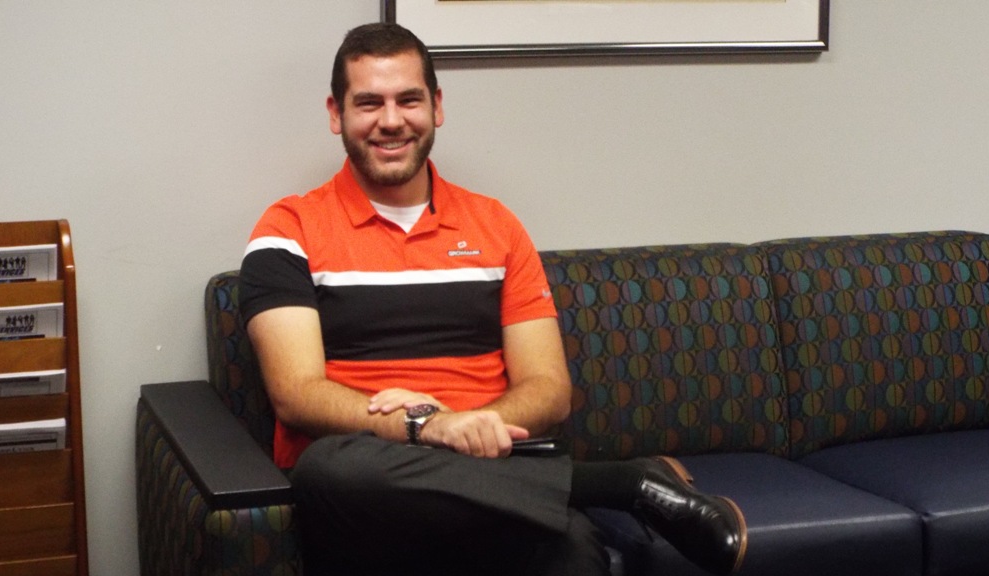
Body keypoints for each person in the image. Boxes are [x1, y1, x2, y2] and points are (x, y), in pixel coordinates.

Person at [239, 22, 747, 576]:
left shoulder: (496, 226)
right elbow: (297, 394)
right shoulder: (288, 230)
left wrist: (465, 427)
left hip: (495, 479)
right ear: (336, 113)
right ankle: (623, 483)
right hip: (370, 492)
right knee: (329, 469)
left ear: (436, 106)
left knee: (572, 548)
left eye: (408, 99)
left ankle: (568, 490)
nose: (391, 120)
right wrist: (424, 424)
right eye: (369, 103)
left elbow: (548, 389)